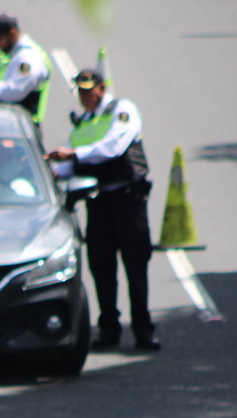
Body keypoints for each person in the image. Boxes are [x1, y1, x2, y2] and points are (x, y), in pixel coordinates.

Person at [48, 69, 159, 350]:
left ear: (102, 87)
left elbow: (112, 147)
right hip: (97, 203)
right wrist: (44, 171)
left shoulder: (122, 110)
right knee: (101, 268)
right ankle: (109, 328)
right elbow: (68, 166)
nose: (85, 95)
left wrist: (72, 154)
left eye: (89, 89)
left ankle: (143, 329)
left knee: (135, 266)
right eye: (81, 90)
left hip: (127, 200)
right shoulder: (82, 124)